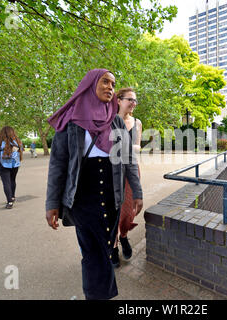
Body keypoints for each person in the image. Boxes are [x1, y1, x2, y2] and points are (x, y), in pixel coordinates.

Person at [45, 69, 143, 300]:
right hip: (82, 197)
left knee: (105, 249)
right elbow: (58, 164)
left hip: (112, 195)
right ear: (90, 84)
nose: (110, 87)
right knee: (93, 252)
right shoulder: (70, 121)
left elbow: (128, 159)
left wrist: (136, 191)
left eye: (113, 84)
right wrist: (52, 203)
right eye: (105, 82)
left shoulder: (116, 121)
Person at [113, 87, 142, 267]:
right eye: (129, 99)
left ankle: (123, 236)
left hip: (131, 168)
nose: (133, 103)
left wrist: (124, 148)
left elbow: (137, 146)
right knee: (112, 207)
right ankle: (114, 245)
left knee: (128, 209)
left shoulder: (137, 122)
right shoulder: (109, 120)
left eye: (135, 100)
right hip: (113, 169)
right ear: (118, 100)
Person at [0, 126, 23, 209]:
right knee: (13, 180)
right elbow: (21, 150)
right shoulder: (17, 141)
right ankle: (12, 197)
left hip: (3, 164)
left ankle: (9, 202)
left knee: (6, 182)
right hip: (15, 164)